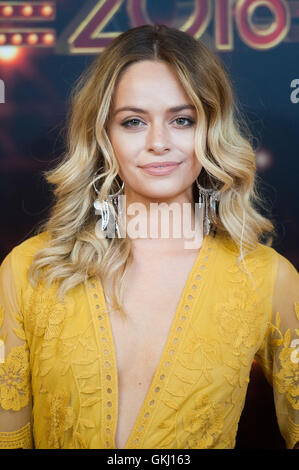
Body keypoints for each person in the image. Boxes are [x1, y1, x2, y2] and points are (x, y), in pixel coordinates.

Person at [0, 24, 298, 450]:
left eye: (182, 119)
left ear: (210, 131)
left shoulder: (266, 278)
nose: (159, 143)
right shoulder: (29, 270)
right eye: (134, 121)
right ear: (104, 136)